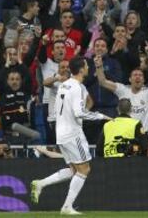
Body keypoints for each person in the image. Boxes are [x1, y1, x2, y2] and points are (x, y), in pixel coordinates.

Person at [30, 56, 111, 215]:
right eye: (86, 65)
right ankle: (67, 207)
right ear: (81, 69)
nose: (88, 67)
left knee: (74, 170)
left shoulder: (64, 85)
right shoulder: (77, 87)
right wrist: (101, 117)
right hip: (73, 133)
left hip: (61, 133)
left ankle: (41, 184)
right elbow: (79, 112)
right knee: (84, 169)